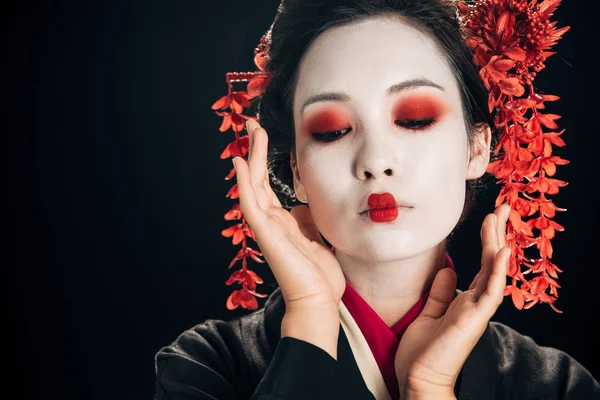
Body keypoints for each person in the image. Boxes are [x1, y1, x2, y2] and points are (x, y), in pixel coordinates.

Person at [154, 0, 600, 398]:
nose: (376, 160)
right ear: (297, 173)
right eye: (331, 130)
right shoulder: (206, 367)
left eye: (415, 118)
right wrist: (311, 318)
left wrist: (429, 389)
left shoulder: (554, 385)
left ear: (477, 147)